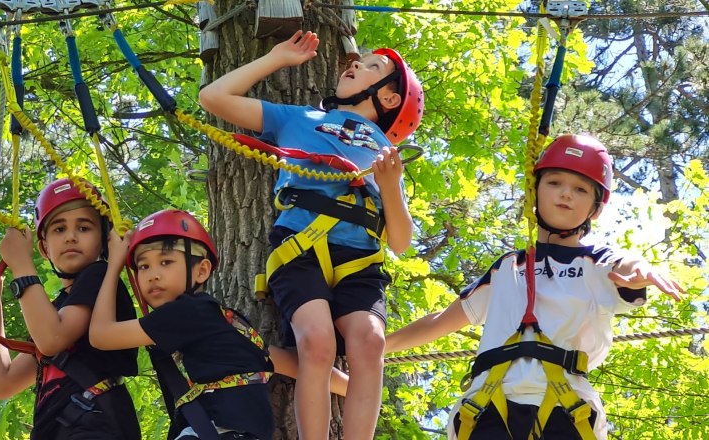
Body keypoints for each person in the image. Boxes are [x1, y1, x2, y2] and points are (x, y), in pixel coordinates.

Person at [198, 30, 423, 439]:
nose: (354, 64)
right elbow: (213, 97)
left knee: (370, 343)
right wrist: (275, 58)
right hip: (301, 250)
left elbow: (401, 242)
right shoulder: (300, 118)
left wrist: (390, 185)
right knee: (317, 344)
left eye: (371, 66)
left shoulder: (384, 152)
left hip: (359, 262)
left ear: (389, 99)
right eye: (358, 62)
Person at [385, 135, 685, 440]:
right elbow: (441, 321)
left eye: (580, 189)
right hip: (488, 409)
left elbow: (623, 266)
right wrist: (376, 347)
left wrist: (641, 270)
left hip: (566, 412)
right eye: (554, 182)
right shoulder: (507, 269)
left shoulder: (594, 263)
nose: (566, 194)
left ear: (595, 209)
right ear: (534, 191)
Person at [89, 209, 349, 439]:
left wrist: (113, 268)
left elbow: (101, 335)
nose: (152, 274)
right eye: (142, 267)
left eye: (166, 262)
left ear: (201, 271)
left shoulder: (185, 314)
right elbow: (291, 363)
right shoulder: (225, 323)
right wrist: (353, 385)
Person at [0, 178, 140, 440]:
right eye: (59, 229)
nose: (71, 236)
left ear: (104, 241)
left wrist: (21, 264)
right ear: (45, 248)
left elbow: (53, 339)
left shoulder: (99, 276)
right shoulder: (56, 312)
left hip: (95, 424)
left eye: (84, 228)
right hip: (62, 427)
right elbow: (2, 383)